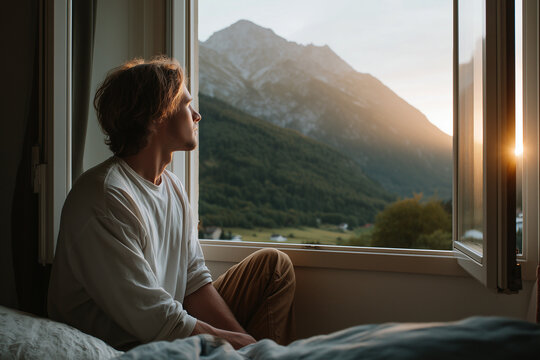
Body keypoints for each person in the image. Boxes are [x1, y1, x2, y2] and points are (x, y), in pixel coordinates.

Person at [47, 57, 296, 350]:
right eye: (186, 104)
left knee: (273, 267)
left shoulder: (173, 187)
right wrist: (237, 344)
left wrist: (247, 345)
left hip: (166, 321)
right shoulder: (103, 197)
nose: (197, 115)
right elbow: (155, 319)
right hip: (129, 342)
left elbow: (193, 282)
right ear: (156, 116)